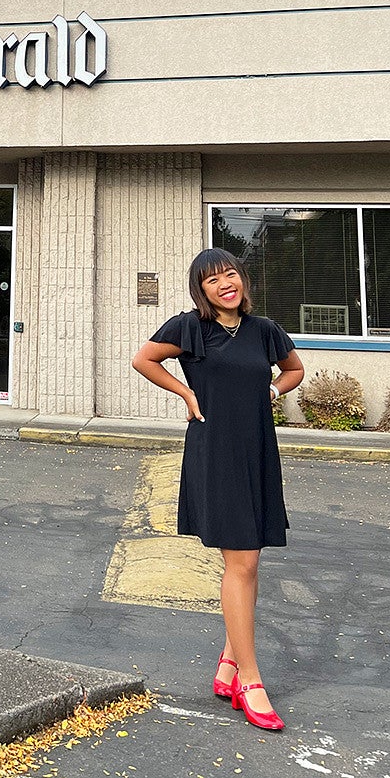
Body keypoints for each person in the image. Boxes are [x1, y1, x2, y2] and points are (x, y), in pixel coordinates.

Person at [131, 247, 304, 731]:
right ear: (201, 291)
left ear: (242, 280)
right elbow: (143, 359)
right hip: (216, 448)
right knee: (243, 561)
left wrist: (272, 390)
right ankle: (250, 679)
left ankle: (230, 663)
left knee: (250, 561)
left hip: (257, 448)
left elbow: (294, 369)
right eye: (212, 280)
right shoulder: (190, 328)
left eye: (230, 273)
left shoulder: (263, 330)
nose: (224, 283)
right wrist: (187, 393)